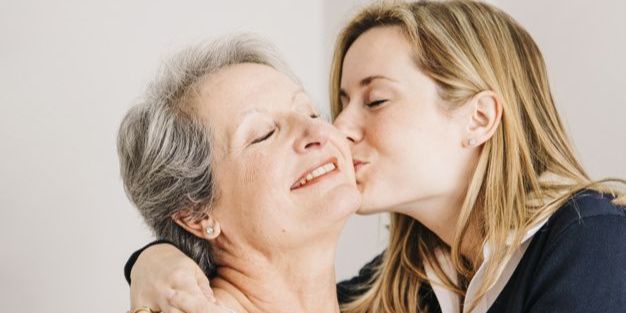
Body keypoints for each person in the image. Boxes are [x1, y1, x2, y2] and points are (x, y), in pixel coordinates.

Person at [125, 1, 626, 313]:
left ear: (479, 120)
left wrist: (150, 261)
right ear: (196, 213)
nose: (334, 130)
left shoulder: (588, 240)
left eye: (377, 100)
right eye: (263, 134)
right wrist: (154, 261)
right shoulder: (400, 284)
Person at [117, 35, 361, 313]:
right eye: (263, 134)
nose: (317, 132)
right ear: (197, 215)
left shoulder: (394, 296)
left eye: (312, 114)